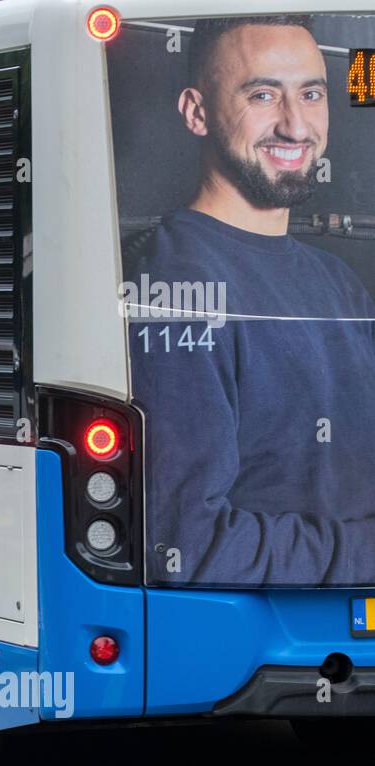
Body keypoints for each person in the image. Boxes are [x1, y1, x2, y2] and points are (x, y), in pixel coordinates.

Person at [126, 16, 375, 586]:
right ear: (197, 112)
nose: (294, 125)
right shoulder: (174, 285)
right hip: (263, 658)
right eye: (263, 95)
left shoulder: (338, 283)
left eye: (310, 94)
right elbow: (189, 547)